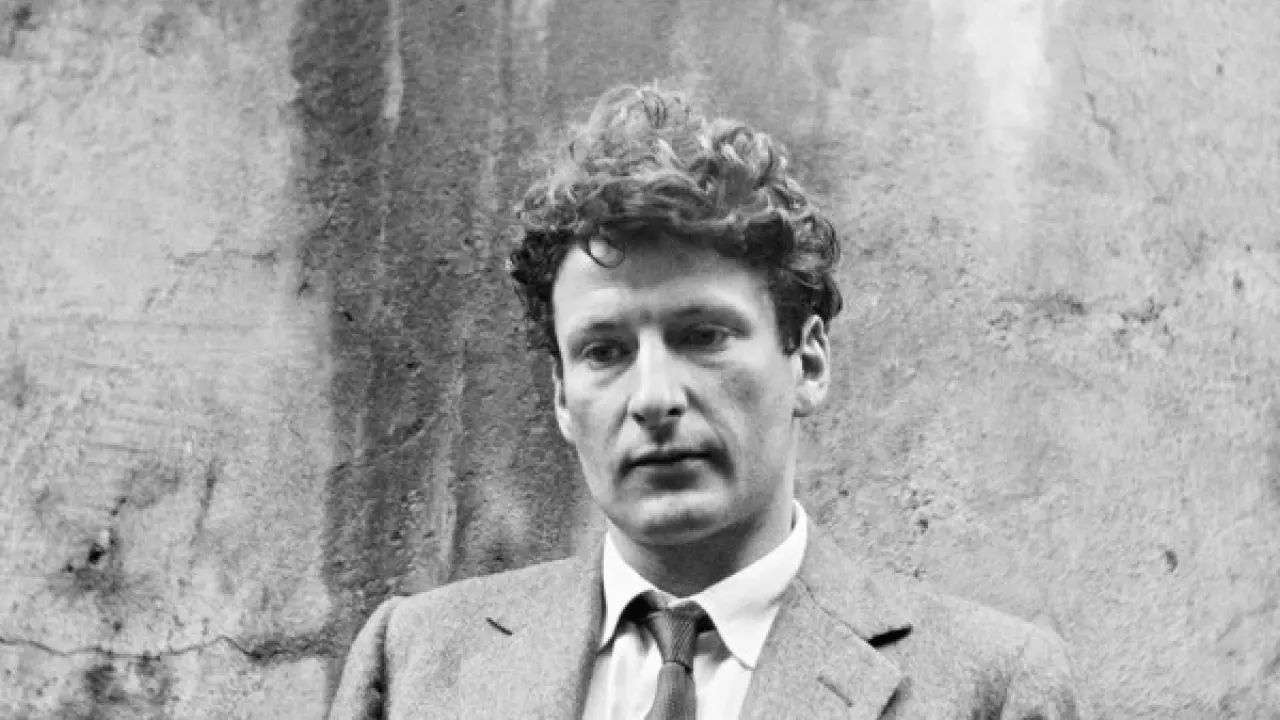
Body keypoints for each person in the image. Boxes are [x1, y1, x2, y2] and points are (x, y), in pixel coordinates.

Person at [328, 84, 1081, 719]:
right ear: (560, 394)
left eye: (703, 336)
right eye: (604, 352)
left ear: (808, 361)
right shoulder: (414, 661)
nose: (654, 398)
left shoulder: (990, 687)